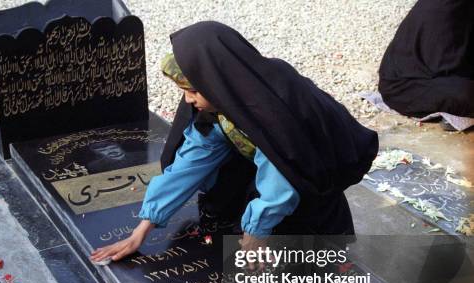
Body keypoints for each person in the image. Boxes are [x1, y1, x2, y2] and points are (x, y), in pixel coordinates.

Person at [90, 21, 378, 263]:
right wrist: (142, 229)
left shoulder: (269, 102)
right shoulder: (224, 103)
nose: (188, 101)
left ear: (213, 79)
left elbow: (282, 169)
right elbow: (191, 162)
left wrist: (255, 232)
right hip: (274, 192)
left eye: (192, 91)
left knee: (309, 274)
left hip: (309, 194)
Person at [378, 0, 474, 122]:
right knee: (466, 93)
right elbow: (445, 67)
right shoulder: (444, 11)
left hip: (438, 71)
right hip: (406, 86)